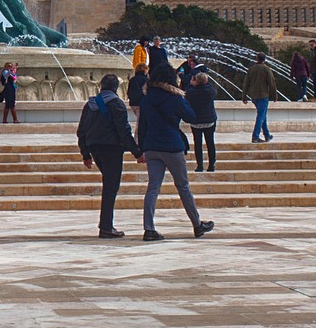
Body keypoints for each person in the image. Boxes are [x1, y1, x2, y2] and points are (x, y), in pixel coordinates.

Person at [136, 64, 214, 241]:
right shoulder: (174, 97)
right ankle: (197, 224)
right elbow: (191, 117)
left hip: (151, 146)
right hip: (171, 145)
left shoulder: (146, 98)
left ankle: (149, 228)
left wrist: (141, 148)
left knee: (153, 187)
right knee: (183, 186)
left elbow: (142, 125)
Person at [77, 73, 143, 239]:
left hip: (95, 148)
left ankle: (105, 224)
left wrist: (86, 153)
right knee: (111, 187)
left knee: (109, 184)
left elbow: (81, 131)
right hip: (112, 149)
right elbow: (123, 131)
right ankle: (106, 227)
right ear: (116, 88)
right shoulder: (116, 104)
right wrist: (137, 152)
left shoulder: (90, 104)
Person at [186, 72, 218, 172]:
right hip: (209, 120)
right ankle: (211, 165)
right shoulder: (210, 91)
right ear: (206, 81)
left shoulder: (191, 92)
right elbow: (212, 89)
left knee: (198, 144)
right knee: (210, 143)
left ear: (195, 81)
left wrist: (191, 84)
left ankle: (200, 166)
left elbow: (185, 95)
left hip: (196, 121)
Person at [241, 53, 276, 143]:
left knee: (262, 114)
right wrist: (274, 95)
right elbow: (272, 83)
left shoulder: (251, 69)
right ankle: (255, 136)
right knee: (261, 115)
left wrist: (244, 96)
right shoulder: (266, 69)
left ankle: (267, 135)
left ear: (257, 59)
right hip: (263, 96)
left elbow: (246, 84)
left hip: (254, 96)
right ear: (264, 59)